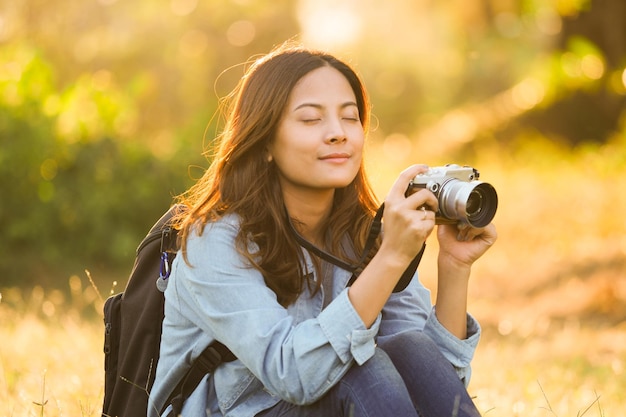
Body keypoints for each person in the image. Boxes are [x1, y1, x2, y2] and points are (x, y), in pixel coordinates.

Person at [148, 42, 497, 417]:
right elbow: (295, 376)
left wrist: (454, 267)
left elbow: (432, 383)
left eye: (349, 118)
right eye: (311, 119)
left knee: (409, 347)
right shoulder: (214, 240)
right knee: (361, 369)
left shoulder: (365, 234)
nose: (337, 133)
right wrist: (392, 256)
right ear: (264, 140)